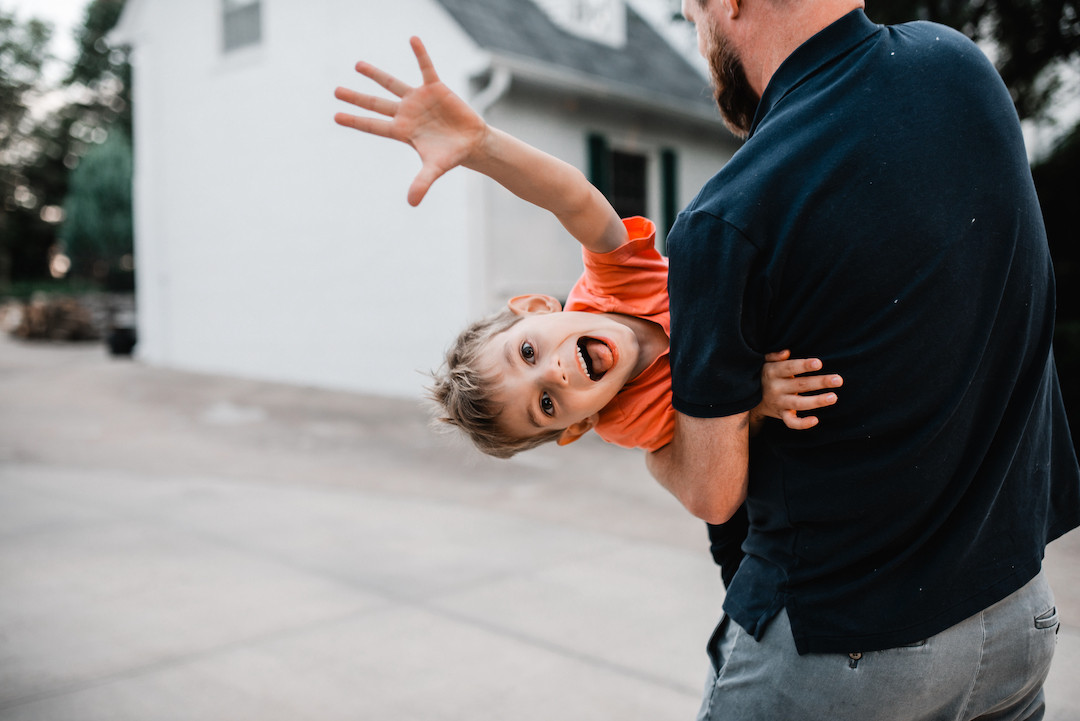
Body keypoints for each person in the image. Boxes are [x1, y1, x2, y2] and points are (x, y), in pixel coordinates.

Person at [644, 0, 1080, 719]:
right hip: (1014, 621)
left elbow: (711, 489)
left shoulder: (726, 216)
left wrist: (635, 427)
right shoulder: (961, 69)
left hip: (841, 657)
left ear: (730, 5)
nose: (698, 36)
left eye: (693, 16)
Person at [333, 37, 843, 459]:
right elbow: (710, 446)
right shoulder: (630, 421)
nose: (553, 374)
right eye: (549, 405)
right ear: (581, 425)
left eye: (527, 352)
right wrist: (757, 406)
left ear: (537, 307)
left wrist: (483, 147)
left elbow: (573, 198)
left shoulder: (614, 284)